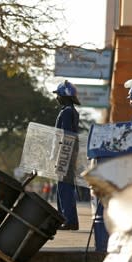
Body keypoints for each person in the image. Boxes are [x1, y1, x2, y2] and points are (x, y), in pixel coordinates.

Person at [52, 80, 80, 230]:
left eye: (59, 95)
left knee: (65, 188)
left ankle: (69, 220)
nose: (57, 98)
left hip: (65, 154)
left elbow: (66, 136)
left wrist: (60, 156)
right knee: (63, 187)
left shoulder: (67, 112)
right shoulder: (72, 111)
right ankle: (65, 218)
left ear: (64, 96)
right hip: (68, 154)